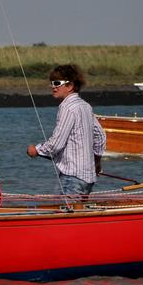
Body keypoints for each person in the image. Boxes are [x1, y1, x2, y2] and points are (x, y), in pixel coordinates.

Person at [27, 64, 106, 195]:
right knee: (78, 213)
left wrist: (36, 150)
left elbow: (56, 143)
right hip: (88, 178)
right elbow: (101, 137)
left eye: (57, 83)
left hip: (72, 178)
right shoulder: (86, 106)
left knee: (63, 213)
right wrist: (96, 163)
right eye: (51, 83)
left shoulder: (67, 108)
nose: (53, 86)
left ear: (70, 86)